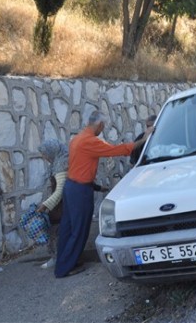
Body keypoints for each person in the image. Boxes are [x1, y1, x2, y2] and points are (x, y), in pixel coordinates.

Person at [54, 111, 153, 278]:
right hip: (80, 191)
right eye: (103, 126)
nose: (102, 129)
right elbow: (117, 150)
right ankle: (65, 268)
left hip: (71, 187)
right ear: (99, 125)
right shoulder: (90, 141)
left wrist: (98, 188)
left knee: (68, 227)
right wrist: (143, 140)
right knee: (80, 229)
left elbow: (79, 167)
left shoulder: (76, 139)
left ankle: (63, 262)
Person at [36, 139, 68, 269]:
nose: (44, 157)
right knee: (55, 233)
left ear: (52, 151)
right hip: (57, 206)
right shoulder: (58, 163)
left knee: (56, 233)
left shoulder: (61, 165)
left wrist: (45, 205)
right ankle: (58, 258)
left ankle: (59, 259)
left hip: (61, 207)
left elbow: (60, 190)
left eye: (45, 154)